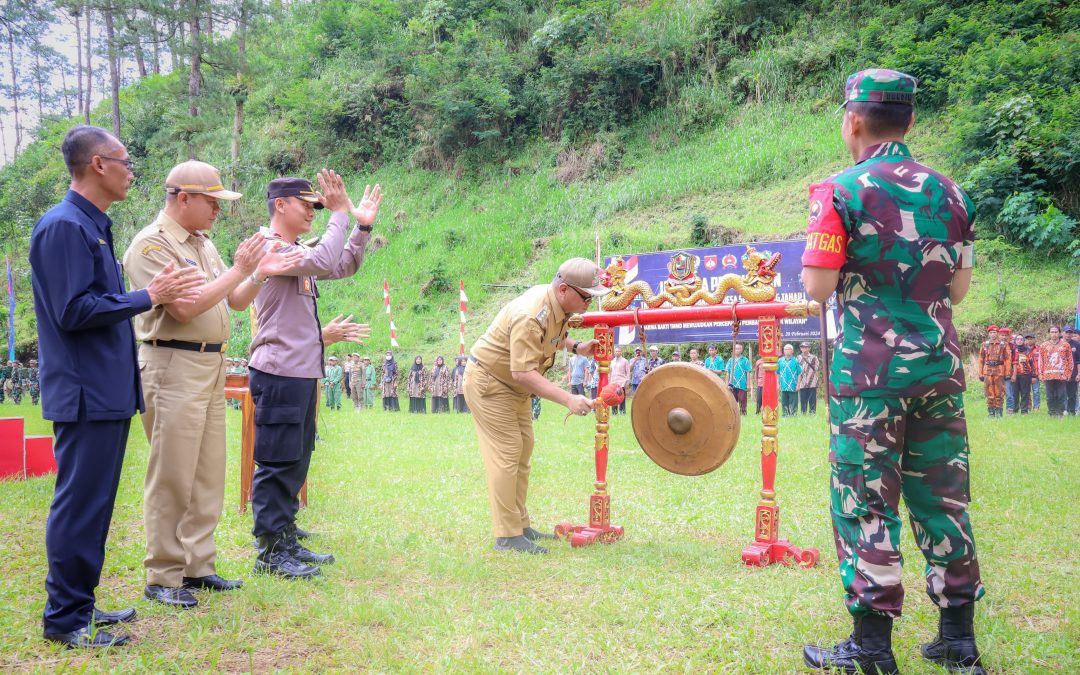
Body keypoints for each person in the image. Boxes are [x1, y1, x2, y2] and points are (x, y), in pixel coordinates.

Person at [800, 69, 985, 674]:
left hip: (869, 377)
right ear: (909, 122)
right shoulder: (953, 194)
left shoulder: (839, 191)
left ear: (852, 120)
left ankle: (872, 649)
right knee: (943, 498)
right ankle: (958, 641)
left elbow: (817, 286)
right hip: (938, 370)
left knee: (865, 500)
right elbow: (957, 290)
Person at [30, 125, 204, 648]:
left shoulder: (93, 226)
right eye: (125, 161)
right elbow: (72, 311)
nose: (132, 172)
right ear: (98, 165)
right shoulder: (64, 227)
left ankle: (79, 603)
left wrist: (141, 295)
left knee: (96, 503)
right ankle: (64, 619)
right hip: (84, 392)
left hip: (104, 389)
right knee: (80, 504)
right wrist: (147, 295)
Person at [123, 160, 303, 610]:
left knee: (206, 473)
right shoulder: (151, 246)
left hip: (209, 365)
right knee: (172, 475)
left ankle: (198, 566)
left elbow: (236, 301)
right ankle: (163, 573)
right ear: (183, 197)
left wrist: (258, 271)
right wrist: (239, 267)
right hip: (171, 364)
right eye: (212, 201)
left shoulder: (203, 245)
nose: (217, 211)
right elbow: (184, 309)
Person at [247, 171, 379, 579]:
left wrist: (361, 227)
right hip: (279, 370)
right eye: (306, 205)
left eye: (316, 207)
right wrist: (340, 213)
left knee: (296, 457)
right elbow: (324, 260)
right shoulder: (270, 248)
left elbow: (340, 265)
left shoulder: (294, 250)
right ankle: (270, 551)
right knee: (276, 460)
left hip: (300, 371)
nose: (312, 212)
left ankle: (284, 535)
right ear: (280, 205)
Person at [464, 257, 604, 554]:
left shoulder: (558, 301)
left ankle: (520, 525)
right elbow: (522, 371)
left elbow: (552, 336)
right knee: (507, 452)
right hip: (491, 382)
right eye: (587, 297)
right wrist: (568, 398)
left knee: (524, 449)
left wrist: (577, 347)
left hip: (514, 388)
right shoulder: (532, 313)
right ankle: (507, 536)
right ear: (564, 288)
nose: (590, 303)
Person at [1038, 326, 1074, 417]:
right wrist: (1040, 374)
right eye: (1052, 332)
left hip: (1061, 375)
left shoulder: (1066, 345)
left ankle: (1060, 413)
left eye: (1056, 332)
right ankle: (1052, 413)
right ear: (1049, 333)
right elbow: (1040, 361)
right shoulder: (1043, 346)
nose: (1054, 334)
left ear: (1060, 333)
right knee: (1050, 396)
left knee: (1061, 395)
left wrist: (1069, 373)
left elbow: (1070, 360)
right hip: (1048, 375)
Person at [978, 325, 1011, 417]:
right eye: (991, 333)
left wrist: (1008, 372)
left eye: (994, 332)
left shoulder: (1004, 344)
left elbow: (1008, 359)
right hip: (987, 371)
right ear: (988, 334)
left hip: (999, 370)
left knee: (999, 392)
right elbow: (981, 359)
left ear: (998, 333)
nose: (993, 334)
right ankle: (991, 412)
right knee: (989, 392)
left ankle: (999, 412)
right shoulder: (985, 344)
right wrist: (980, 373)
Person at [725, 343, 752, 415]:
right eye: (735, 348)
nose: (737, 350)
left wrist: (749, 385)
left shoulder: (745, 360)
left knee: (742, 400)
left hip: (742, 383)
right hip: (732, 383)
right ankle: (733, 414)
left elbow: (748, 372)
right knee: (732, 400)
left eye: (738, 348)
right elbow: (728, 372)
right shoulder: (730, 360)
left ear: (742, 350)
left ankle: (743, 413)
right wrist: (726, 384)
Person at [1011, 336, 1035, 414]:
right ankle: (1015, 409)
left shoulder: (1028, 350)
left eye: (1021, 339)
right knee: (1015, 392)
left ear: (1024, 341)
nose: (1019, 341)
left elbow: (1032, 363)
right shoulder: (1012, 350)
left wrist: (1034, 375)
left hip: (1026, 374)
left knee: (1025, 393)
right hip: (1014, 374)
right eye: (1017, 339)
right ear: (1015, 341)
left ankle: (1024, 410)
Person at [796, 341, 821, 415]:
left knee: (812, 399)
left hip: (812, 381)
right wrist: (798, 383)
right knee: (803, 399)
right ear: (801, 348)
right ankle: (803, 413)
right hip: (802, 382)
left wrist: (817, 380)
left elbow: (816, 369)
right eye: (803, 347)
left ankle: (812, 413)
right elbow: (797, 371)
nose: (805, 349)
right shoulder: (798, 357)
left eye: (806, 347)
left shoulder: (814, 358)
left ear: (809, 348)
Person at [776, 344, 801, 417]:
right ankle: (785, 414)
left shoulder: (796, 360)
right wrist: (778, 384)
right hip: (783, 384)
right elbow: (777, 373)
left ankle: (793, 414)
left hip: (793, 384)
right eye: (785, 349)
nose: (787, 350)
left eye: (789, 349)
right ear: (783, 351)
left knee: (794, 400)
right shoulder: (780, 360)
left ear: (792, 351)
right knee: (784, 401)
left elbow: (799, 373)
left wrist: (798, 385)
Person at [608, 348, 630, 415]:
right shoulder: (612, 361)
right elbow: (609, 372)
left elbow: (628, 372)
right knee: (613, 398)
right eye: (616, 351)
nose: (617, 352)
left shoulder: (625, 361)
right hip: (613, 382)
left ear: (621, 352)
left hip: (622, 382)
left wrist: (627, 381)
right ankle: (614, 413)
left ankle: (622, 412)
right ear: (614, 352)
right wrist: (609, 381)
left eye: (619, 351)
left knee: (621, 398)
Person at [1065, 328, 1080, 415]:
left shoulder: (1077, 345)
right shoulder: (1060, 343)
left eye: (1070, 333)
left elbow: (1078, 360)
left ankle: (1072, 411)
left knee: (1072, 394)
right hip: (1061, 372)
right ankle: (1063, 410)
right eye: (1066, 332)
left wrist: (1078, 373)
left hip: (1073, 373)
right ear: (1063, 333)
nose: (1068, 334)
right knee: (1062, 393)